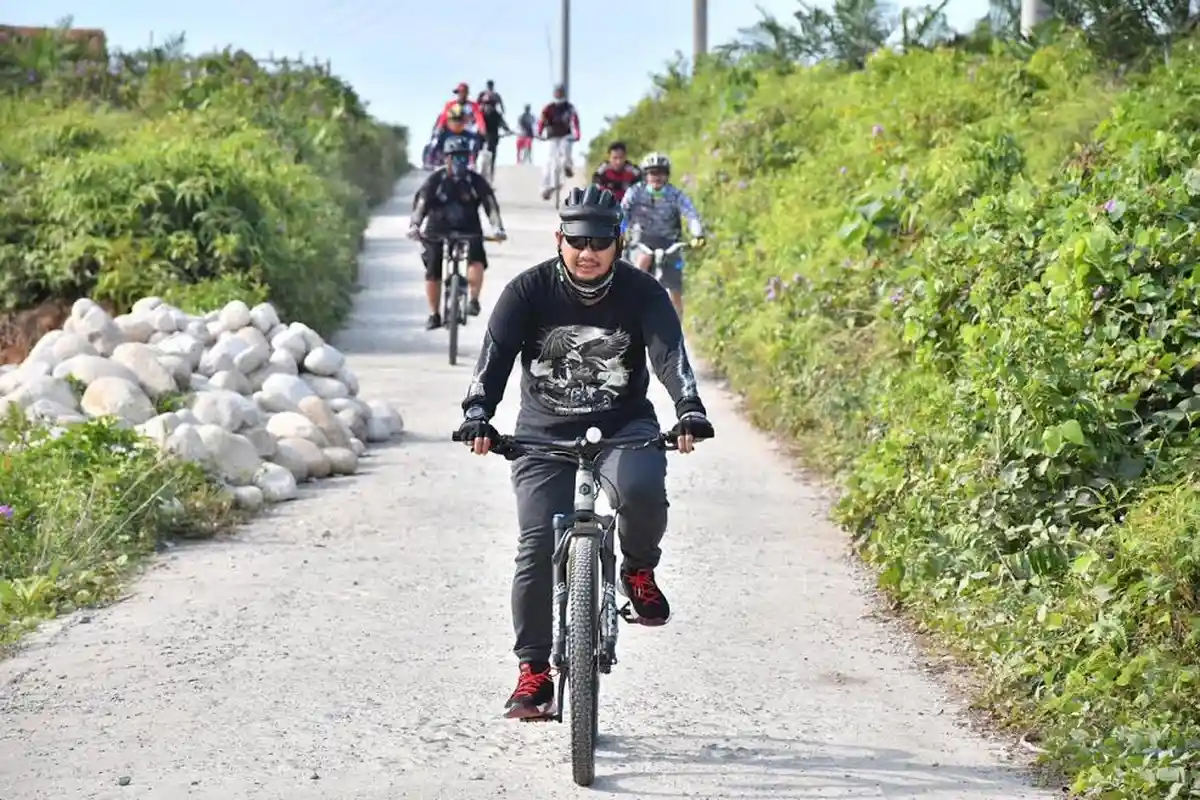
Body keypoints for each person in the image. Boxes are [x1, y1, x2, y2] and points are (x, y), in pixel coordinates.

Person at [453, 185, 715, 719]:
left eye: (600, 240)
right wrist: (478, 412)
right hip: (542, 434)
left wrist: (688, 406)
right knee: (533, 543)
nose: (587, 250)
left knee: (641, 491)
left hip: (623, 426)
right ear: (560, 239)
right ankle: (533, 673)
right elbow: (494, 359)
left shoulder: (644, 293)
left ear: (619, 241)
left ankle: (638, 571)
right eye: (576, 239)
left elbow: (670, 356)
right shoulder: (527, 292)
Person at [408, 136, 507, 330]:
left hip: (469, 228)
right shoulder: (435, 180)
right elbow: (421, 204)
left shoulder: (475, 180)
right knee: (432, 269)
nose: (459, 161)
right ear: (446, 158)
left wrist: (498, 227)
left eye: (463, 157)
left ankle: (474, 300)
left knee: (476, 258)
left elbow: (490, 205)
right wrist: (414, 225)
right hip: (437, 229)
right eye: (455, 157)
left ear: (469, 158)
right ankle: (434, 314)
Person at [620, 152, 705, 318]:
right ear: (646, 176)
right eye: (652, 173)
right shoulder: (635, 192)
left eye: (661, 173)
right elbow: (622, 213)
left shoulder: (675, 195)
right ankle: (629, 315)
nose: (657, 177)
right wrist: (620, 234)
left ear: (667, 175)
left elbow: (691, 214)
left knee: (675, 291)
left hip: (669, 243)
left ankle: (676, 332)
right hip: (641, 241)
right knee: (642, 263)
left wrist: (698, 235)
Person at [536, 84, 581, 201]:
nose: (559, 94)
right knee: (549, 161)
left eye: (561, 92)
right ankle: (546, 188)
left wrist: (578, 134)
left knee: (566, 152)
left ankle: (567, 168)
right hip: (551, 136)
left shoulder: (569, 107)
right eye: (557, 92)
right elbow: (541, 121)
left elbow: (575, 121)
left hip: (565, 135)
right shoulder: (549, 108)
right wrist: (539, 133)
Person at [476, 80, 511, 171]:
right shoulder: (480, 114)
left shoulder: (496, 114)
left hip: (493, 134)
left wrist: (508, 130)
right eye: (486, 105)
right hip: (481, 133)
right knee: (476, 149)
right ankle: (475, 167)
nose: (488, 107)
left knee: (492, 152)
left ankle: (491, 172)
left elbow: (502, 120)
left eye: (491, 105)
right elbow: (475, 106)